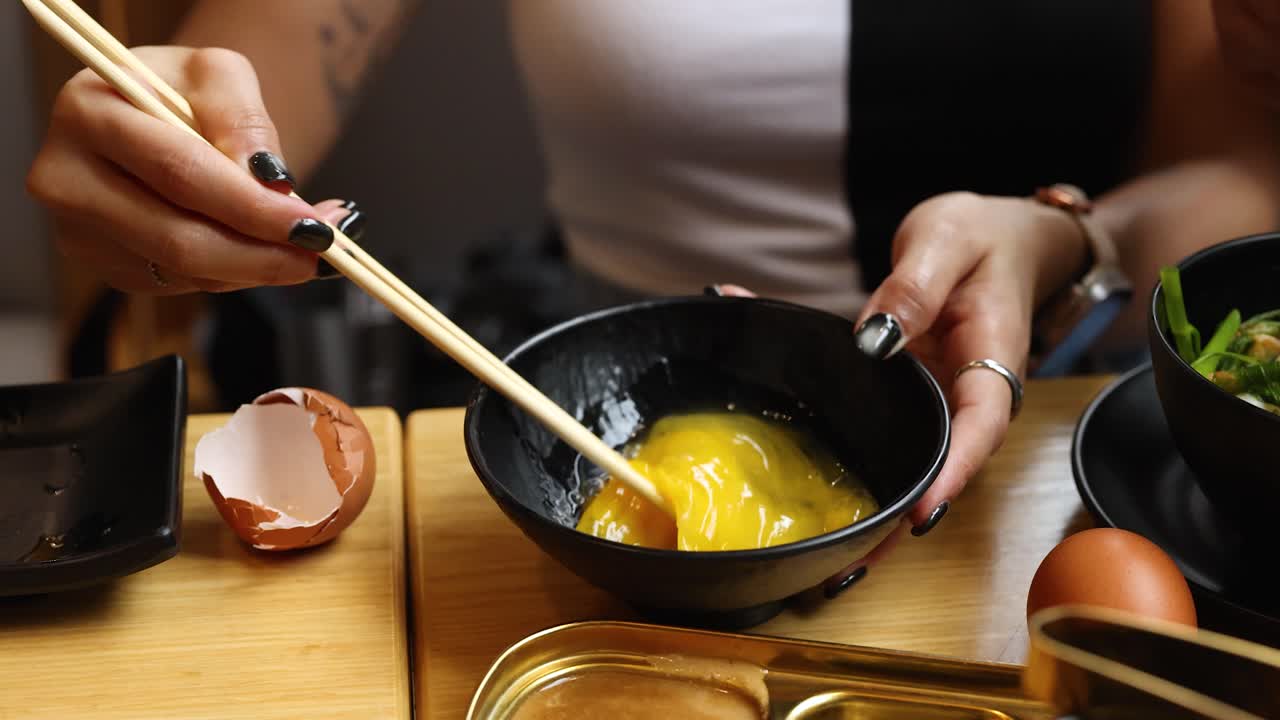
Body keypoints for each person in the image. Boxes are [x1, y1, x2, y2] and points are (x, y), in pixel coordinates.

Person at [25, 1, 1280, 580]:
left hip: (1039, 460)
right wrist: (169, 154)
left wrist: (1067, 235)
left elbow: (1234, 174)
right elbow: (252, 90)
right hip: (599, 418)